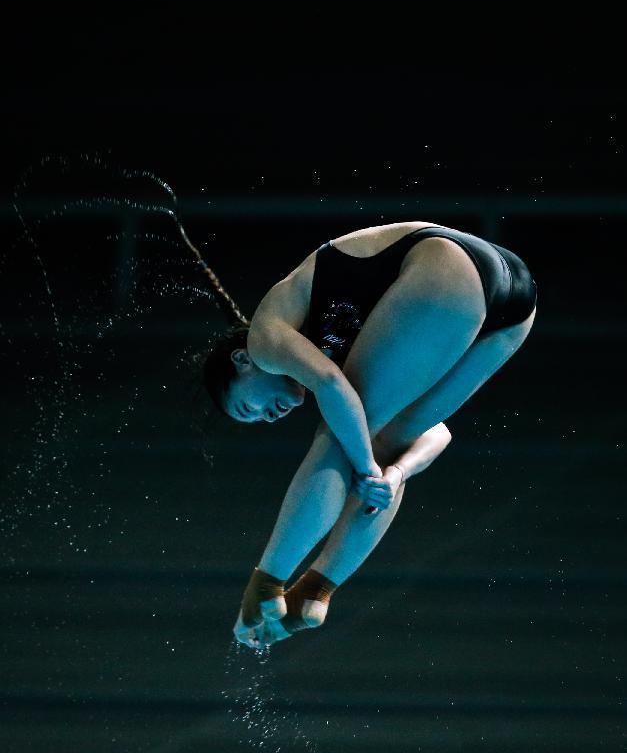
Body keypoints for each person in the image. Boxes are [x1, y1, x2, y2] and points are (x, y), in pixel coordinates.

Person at [200, 221, 537, 649]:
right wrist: (394, 473)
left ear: (242, 362)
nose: (267, 417)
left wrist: (364, 465)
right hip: (515, 303)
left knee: (342, 431)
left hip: (449, 266)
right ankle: (315, 591)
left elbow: (333, 387)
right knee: (377, 438)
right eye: (259, 421)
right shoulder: (361, 357)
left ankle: (266, 585)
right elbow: (439, 433)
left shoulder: (264, 340)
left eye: (249, 406)